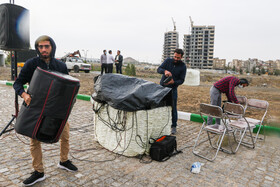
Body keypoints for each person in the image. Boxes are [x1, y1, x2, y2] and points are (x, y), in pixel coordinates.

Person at [13, 35, 78, 186]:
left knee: (65, 136)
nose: (43, 49)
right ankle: (38, 171)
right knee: (34, 139)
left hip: (57, 109)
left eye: (46, 46)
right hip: (36, 108)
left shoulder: (60, 65)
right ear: (37, 49)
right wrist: (24, 94)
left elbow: (67, 86)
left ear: (52, 47)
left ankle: (64, 161)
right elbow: (18, 83)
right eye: (40, 47)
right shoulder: (31, 64)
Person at [157, 49, 187, 135]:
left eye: (178, 57)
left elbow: (181, 80)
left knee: (173, 108)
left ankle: (173, 126)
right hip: (162, 88)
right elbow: (159, 69)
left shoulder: (183, 66)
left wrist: (174, 82)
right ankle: (160, 123)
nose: (176, 59)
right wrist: (165, 71)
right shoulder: (167, 61)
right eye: (175, 56)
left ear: (181, 57)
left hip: (173, 89)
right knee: (160, 106)